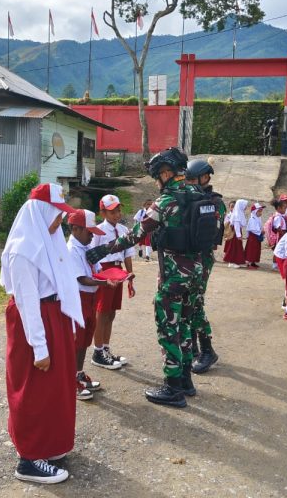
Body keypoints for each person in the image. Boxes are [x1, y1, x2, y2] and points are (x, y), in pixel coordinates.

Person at [87, 147, 209, 408]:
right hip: (198, 274)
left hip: (174, 277)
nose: (157, 182)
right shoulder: (199, 194)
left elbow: (134, 235)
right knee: (186, 327)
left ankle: (173, 387)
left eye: (157, 177)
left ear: (165, 173)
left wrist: (102, 249)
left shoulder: (166, 201)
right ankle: (186, 381)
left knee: (169, 329)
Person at [0, 182, 83, 484]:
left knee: (55, 388)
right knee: (35, 388)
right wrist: (40, 347)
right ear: (41, 211)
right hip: (35, 322)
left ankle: (49, 444)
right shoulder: (24, 251)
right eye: (57, 213)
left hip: (53, 318)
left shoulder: (48, 241)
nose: (60, 220)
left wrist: (67, 324)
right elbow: (26, 303)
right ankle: (30, 458)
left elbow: (63, 282)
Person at [66, 209, 126, 401]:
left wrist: (118, 275)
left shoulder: (84, 247)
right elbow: (83, 279)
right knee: (76, 342)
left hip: (89, 298)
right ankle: (69, 381)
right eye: (89, 232)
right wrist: (104, 283)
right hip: (79, 299)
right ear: (75, 229)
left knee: (85, 340)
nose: (92, 236)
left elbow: (98, 270)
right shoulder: (71, 249)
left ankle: (78, 373)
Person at [184, 157, 224, 375]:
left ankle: (208, 350)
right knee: (187, 303)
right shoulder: (189, 198)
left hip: (202, 258)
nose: (190, 183)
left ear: (205, 177)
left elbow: (212, 231)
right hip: (188, 258)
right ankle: (195, 349)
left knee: (195, 303)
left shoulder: (215, 202)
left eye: (193, 179)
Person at [90, 194, 135, 369]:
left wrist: (130, 274)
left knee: (111, 312)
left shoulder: (124, 230)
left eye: (118, 210)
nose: (116, 214)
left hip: (118, 271)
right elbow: (93, 255)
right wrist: (100, 276)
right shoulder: (98, 231)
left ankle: (106, 349)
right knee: (101, 312)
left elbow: (128, 253)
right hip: (105, 271)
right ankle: (98, 351)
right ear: (103, 213)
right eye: (111, 212)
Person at [224, 199, 248, 268]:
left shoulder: (239, 213)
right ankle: (231, 262)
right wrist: (238, 235)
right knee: (234, 248)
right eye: (244, 206)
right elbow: (236, 226)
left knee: (238, 248)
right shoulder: (237, 214)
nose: (245, 207)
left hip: (237, 233)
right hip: (235, 234)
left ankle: (238, 261)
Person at [244, 203, 264, 269]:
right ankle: (248, 263)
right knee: (251, 250)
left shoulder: (258, 218)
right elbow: (253, 229)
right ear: (254, 212)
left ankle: (253, 262)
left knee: (256, 250)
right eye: (259, 211)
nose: (260, 213)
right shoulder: (252, 219)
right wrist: (260, 231)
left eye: (261, 211)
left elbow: (259, 226)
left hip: (257, 237)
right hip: (253, 237)